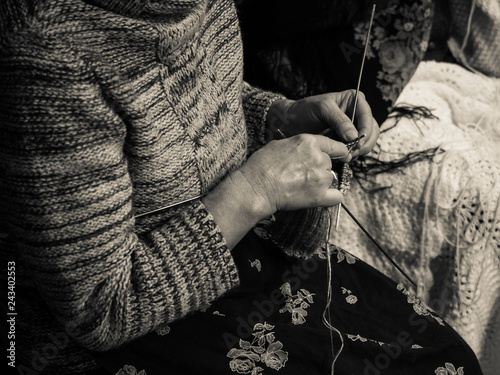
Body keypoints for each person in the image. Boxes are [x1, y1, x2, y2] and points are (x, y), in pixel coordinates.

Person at [0, 1, 482, 374]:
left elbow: (194, 103)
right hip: (112, 336)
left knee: (446, 357)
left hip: (227, 253)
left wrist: (276, 117)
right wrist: (256, 189)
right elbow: (101, 309)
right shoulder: (47, 55)